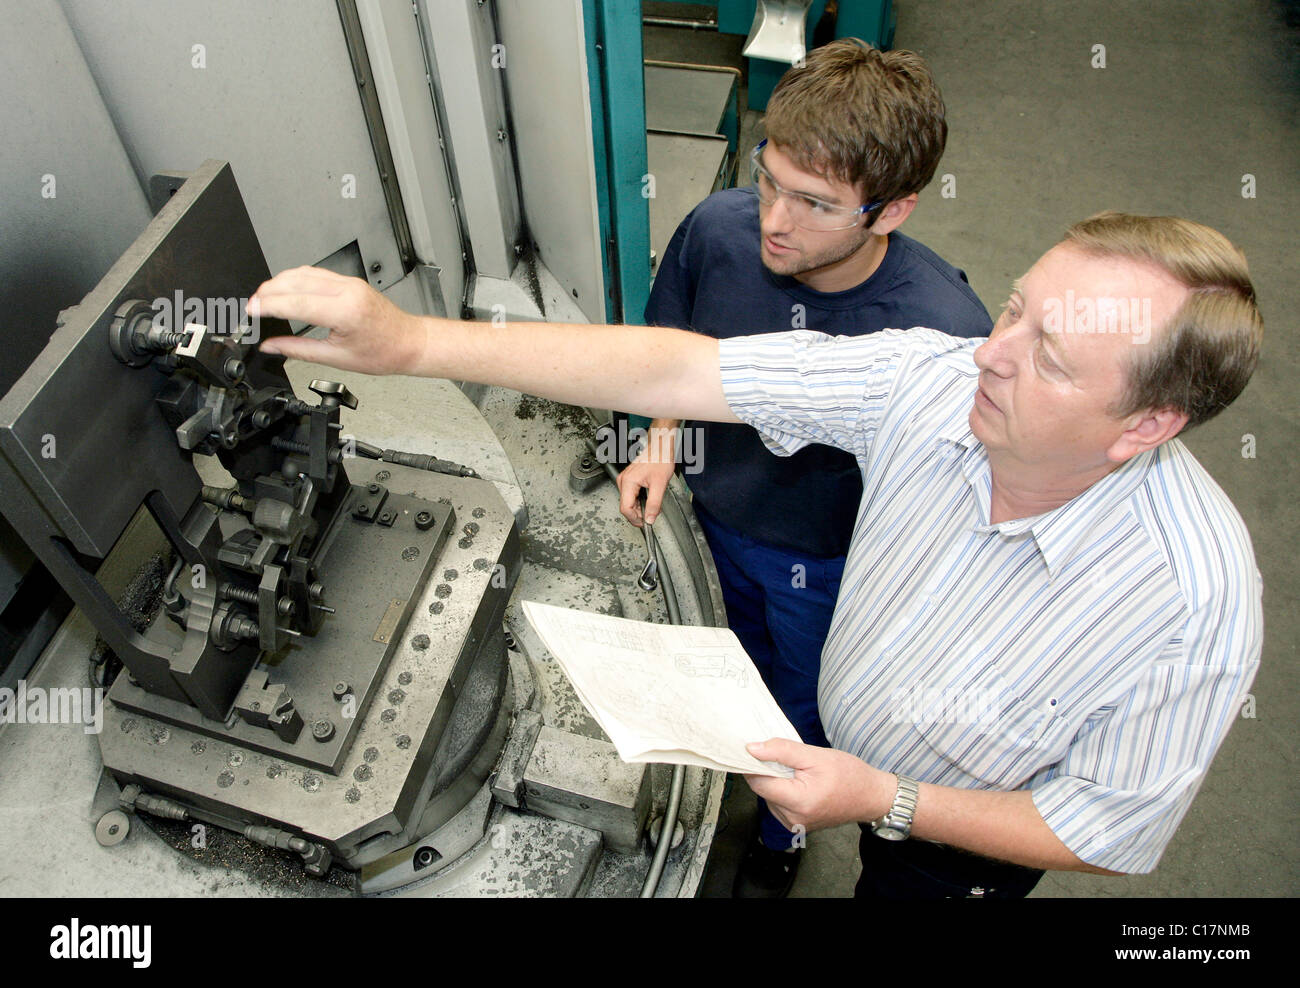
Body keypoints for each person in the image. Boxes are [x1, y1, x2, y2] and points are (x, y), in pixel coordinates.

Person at [248, 208, 1263, 899]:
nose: (989, 353)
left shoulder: (1188, 602)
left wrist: (884, 802)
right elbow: (685, 368)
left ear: (1144, 425)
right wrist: (413, 344)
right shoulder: (934, 379)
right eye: (1013, 310)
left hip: (955, 843)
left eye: (1048, 356)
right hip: (853, 759)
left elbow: (1102, 827)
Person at [617, 40, 991, 895]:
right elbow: (673, 348)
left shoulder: (946, 331)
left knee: (810, 707)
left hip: (827, 566)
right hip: (713, 518)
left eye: (816, 204)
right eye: (770, 179)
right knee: (723, 663)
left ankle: (782, 834)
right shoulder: (717, 230)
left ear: (890, 212)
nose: (775, 220)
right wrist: (662, 436)